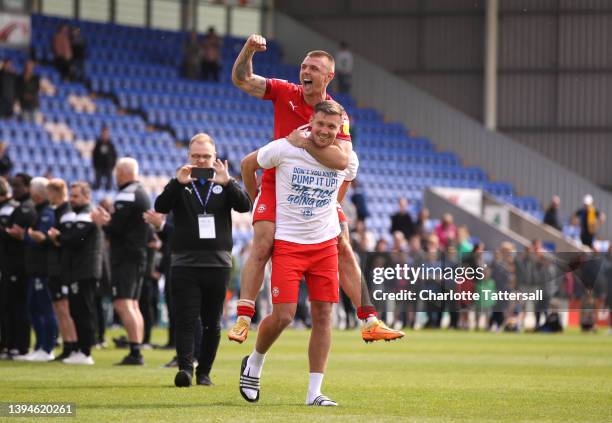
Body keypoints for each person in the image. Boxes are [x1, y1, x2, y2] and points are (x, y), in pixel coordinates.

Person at [229, 34, 403, 343]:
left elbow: (343, 161)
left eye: (314, 67)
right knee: (263, 239)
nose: (305, 71)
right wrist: (249, 50)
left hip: (317, 190)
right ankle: (243, 316)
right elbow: (242, 79)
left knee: (344, 243)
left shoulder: (337, 115)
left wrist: (303, 144)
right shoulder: (285, 92)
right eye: (303, 66)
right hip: (277, 183)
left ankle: (369, 319)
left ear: (329, 76)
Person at [239, 100, 357, 406]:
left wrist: (333, 216)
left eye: (332, 127)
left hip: (324, 246)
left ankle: (314, 392)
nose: (324, 131)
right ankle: (254, 361)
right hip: (289, 244)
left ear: (339, 129)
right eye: (320, 124)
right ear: (312, 121)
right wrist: (258, 204)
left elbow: (342, 189)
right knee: (284, 316)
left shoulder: (347, 158)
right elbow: (249, 164)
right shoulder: (285, 147)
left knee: (323, 315)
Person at [155, 133, 251, 387]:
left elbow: (245, 206)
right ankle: (186, 368)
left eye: (205, 156)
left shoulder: (223, 182)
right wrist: (176, 183)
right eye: (195, 156)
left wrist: (228, 182)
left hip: (217, 264)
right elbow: (160, 206)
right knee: (185, 320)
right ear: (188, 156)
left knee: (211, 322)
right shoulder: (180, 182)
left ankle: (205, 372)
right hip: (184, 263)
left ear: (214, 157)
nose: (200, 161)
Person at [91, 158, 151, 365]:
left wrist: (103, 222)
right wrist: (110, 221)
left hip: (125, 255)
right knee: (132, 304)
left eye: (117, 172)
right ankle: (137, 348)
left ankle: (135, 352)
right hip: (136, 254)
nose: (115, 176)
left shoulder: (127, 193)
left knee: (123, 303)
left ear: (123, 172)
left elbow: (117, 229)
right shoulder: (141, 191)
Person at [48, 182, 103, 365]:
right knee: (76, 310)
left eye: (76, 196)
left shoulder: (88, 214)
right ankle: (80, 350)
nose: (72, 199)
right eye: (71, 196)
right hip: (78, 270)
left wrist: (58, 237)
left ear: (87, 197)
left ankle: (85, 352)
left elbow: (75, 240)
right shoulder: (79, 214)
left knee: (83, 311)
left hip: (85, 269)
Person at [4, 174, 37, 359]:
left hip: (20, 264)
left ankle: (21, 346)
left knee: (19, 306)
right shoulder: (19, 206)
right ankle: (13, 345)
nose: (13, 189)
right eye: (12, 185)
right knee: (12, 305)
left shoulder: (26, 208)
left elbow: (15, 233)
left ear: (27, 187)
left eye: (17, 186)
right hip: (14, 263)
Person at [45, 178, 78, 361]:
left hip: (62, 267)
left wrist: (54, 238)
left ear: (55, 192)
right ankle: (67, 344)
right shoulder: (60, 211)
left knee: (64, 307)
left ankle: (72, 345)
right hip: (56, 266)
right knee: (59, 306)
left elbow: (66, 241)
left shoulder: (66, 212)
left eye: (49, 192)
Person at [92, 126, 117, 190]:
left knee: (109, 185)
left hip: (108, 168)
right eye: (104, 134)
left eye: (106, 134)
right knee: (97, 183)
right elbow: (94, 155)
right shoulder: (98, 144)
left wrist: (112, 165)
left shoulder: (111, 145)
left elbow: (114, 156)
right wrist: (96, 165)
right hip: (99, 167)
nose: (105, 135)